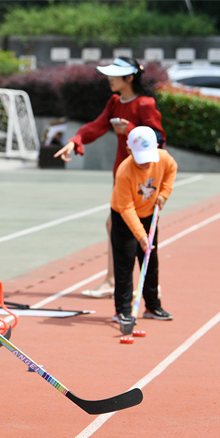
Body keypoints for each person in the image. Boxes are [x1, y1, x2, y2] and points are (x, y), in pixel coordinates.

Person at [54, 57, 165, 299]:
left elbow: (158, 138)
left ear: (130, 77)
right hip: (121, 172)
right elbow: (97, 125)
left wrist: (131, 130)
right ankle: (121, 282)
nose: (110, 79)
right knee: (118, 225)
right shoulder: (115, 101)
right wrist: (76, 140)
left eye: (115, 75)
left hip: (141, 174)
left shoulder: (145, 103)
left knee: (133, 227)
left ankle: (131, 283)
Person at [111, 126, 176, 333]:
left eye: (149, 156)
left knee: (150, 259)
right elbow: (126, 208)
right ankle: (122, 311)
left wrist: (164, 194)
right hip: (124, 218)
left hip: (149, 214)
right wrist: (140, 236)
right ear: (129, 152)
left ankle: (152, 306)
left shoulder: (163, 158)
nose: (146, 162)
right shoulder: (124, 171)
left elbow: (171, 170)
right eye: (141, 157)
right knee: (125, 263)